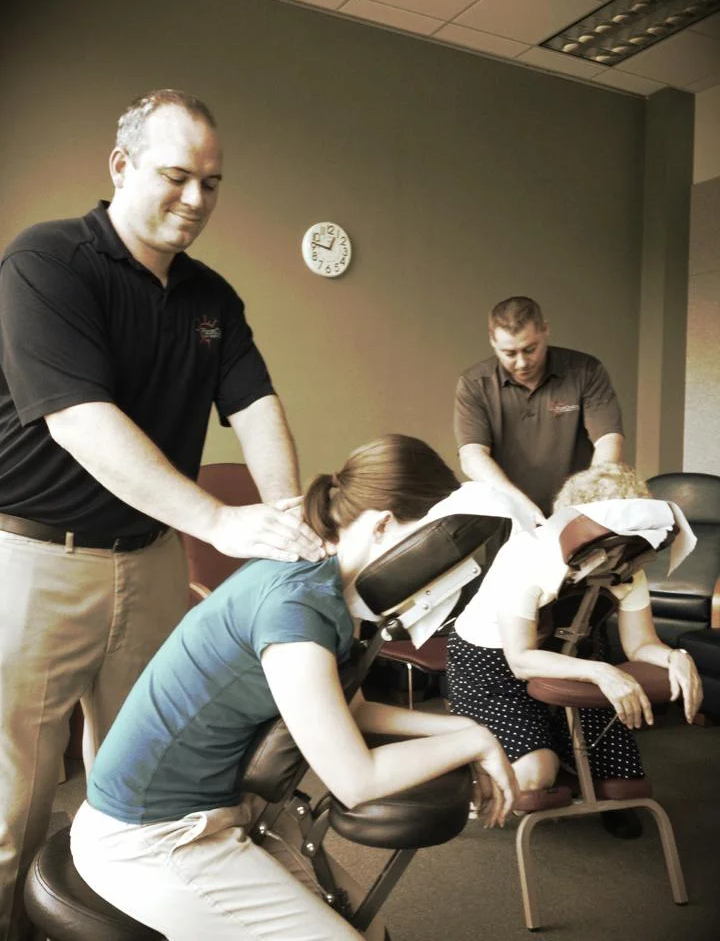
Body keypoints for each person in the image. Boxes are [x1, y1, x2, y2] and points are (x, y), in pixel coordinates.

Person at [0, 89, 323, 940]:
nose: (195, 198)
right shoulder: (46, 262)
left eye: (211, 183)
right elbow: (80, 421)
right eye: (177, 176)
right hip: (36, 561)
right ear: (121, 166)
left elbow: (256, 408)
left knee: (143, 794)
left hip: (148, 563)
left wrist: (286, 521)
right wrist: (220, 523)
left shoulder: (211, 296)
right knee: (12, 806)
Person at [69, 434, 519, 940]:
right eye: (428, 546)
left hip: (224, 810)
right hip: (151, 838)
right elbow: (355, 779)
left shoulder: (323, 580)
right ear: (382, 525)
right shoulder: (296, 607)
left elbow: (352, 710)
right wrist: (474, 742)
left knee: (370, 930)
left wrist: (462, 728)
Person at [446, 462, 703, 839]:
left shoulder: (628, 564)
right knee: (536, 777)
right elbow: (521, 660)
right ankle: (471, 757)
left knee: (624, 781)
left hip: (570, 660)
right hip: (492, 668)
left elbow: (639, 643)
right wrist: (603, 671)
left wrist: (675, 658)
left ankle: (553, 739)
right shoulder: (527, 555)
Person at [454, 296, 625, 526]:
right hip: (511, 514)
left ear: (545, 330)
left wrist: (587, 501)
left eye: (530, 349)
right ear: (492, 341)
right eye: (510, 353)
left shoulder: (585, 371)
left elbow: (608, 440)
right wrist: (519, 503)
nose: (522, 362)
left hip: (581, 509)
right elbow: (472, 455)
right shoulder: (475, 384)